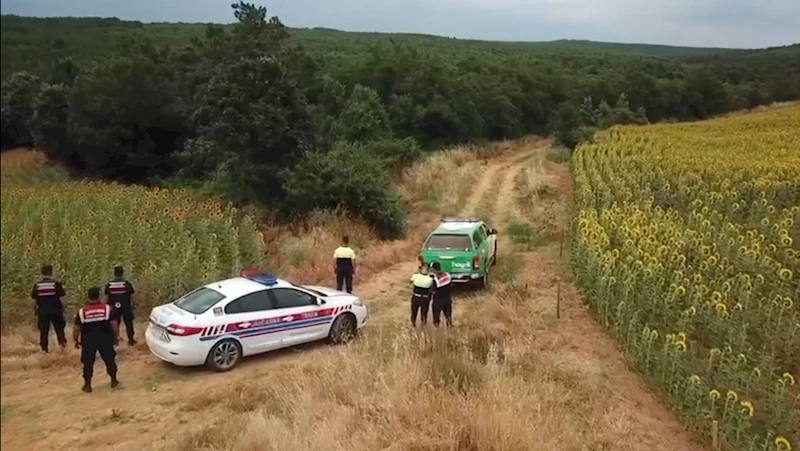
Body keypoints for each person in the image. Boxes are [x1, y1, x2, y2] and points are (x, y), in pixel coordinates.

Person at [74, 287, 120, 393]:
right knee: (109, 360)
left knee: (88, 363)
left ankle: (87, 385)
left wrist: (76, 340)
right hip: (105, 339)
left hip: (88, 341)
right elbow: (114, 325)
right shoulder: (108, 309)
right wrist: (116, 337)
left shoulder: (82, 312)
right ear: (99, 296)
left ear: (88, 297)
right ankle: (114, 380)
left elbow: (76, 328)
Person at [30, 264, 68, 352]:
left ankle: (44, 350)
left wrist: (35, 310)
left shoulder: (37, 285)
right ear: (51, 272)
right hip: (56, 310)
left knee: (43, 332)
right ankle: (63, 348)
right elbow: (63, 298)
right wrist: (63, 308)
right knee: (59, 330)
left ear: (42, 273)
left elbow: (34, 300)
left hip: (43, 311)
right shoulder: (56, 284)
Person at [104, 266, 136, 345]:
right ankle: (131, 340)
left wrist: (107, 307)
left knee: (114, 323)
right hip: (126, 306)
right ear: (122, 273)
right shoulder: (126, 284)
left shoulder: (109, 285)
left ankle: (114, 340)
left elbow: (107, 297)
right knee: (128, 323)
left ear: (114, 273)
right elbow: (131, 296)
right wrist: (133, 305)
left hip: (113, 307)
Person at [430, 261, 454, 328]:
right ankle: (450, 329)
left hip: (438, 300)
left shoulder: (435, 279)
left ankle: (437, 329)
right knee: (448, 316)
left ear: (434, 269)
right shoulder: (447, 275)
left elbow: (433, 291)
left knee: (436, 316)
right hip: (447, 299)